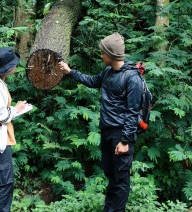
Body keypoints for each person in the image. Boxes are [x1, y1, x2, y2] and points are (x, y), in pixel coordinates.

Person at [59, 32, 143, 212]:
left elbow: (133, 111)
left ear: (112, 54)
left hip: (121, 135)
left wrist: (125, 141)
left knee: (120, 179)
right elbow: (91, 81)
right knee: (111, 175)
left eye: (103, 52)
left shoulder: (132, 78)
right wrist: (70, 72)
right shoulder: (107, 72)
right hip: (107, 132)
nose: (101, 55)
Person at [0, 47, 27, 212]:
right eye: (14, 64)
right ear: (7, 68)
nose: (16, 66)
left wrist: (16, 109)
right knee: (4, 182)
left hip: (0, 138)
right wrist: (17, 109)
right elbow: (0, 115)